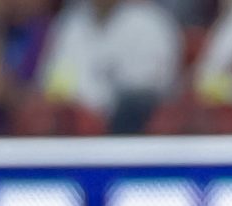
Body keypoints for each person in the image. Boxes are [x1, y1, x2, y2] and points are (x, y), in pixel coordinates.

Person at [36, 0, 180, 127]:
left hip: (127, 121)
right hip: (74, 118)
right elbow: (50, 78)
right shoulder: (70, 22)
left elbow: (149, 87)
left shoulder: (149, 22)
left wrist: (98, 110)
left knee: (134, 105)